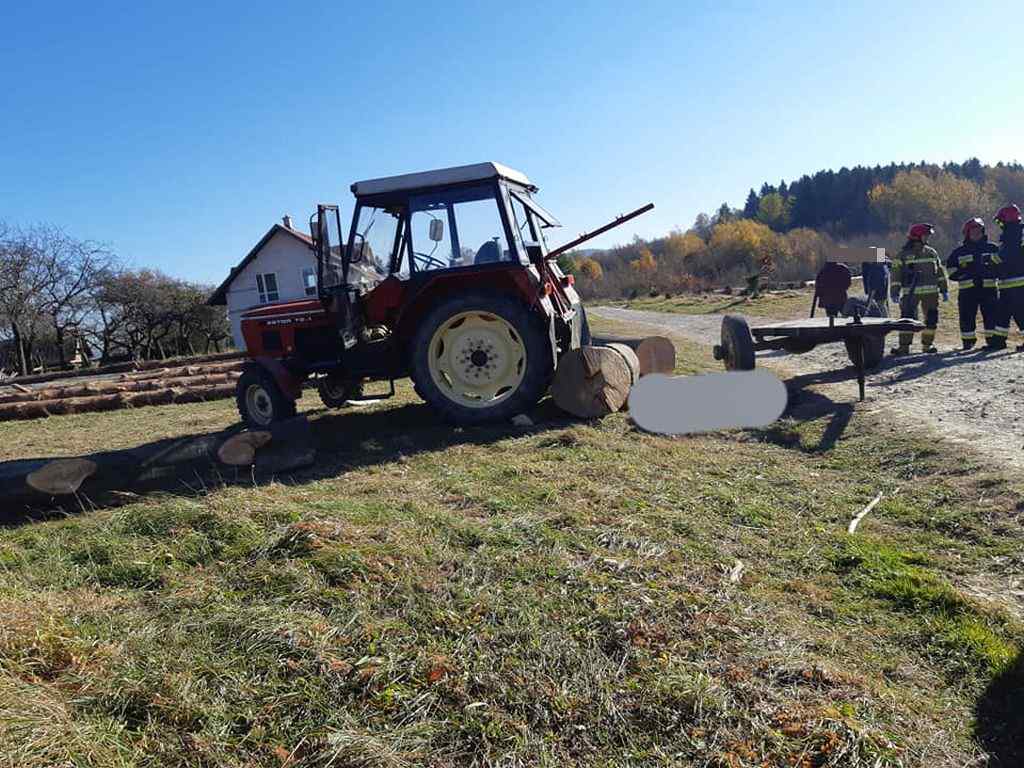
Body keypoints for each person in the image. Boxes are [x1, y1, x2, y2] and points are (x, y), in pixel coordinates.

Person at [889, 223, 948, 355]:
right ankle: (904, 347)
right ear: (916, 237)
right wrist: (894, 292)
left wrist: (944, 290)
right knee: (906, 320)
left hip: (931, 294)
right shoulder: (903, 255)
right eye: (926, 235)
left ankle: (927, 345)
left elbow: (939, 272)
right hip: (910, 294)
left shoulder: (931, 252)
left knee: (931, 320)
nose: (928, 238)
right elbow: (896, 274)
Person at [947, 217, 1004, 350]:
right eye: (973, 231)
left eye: (979, 230)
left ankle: (992, 342)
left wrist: (992, 272)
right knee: (967, 317)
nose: (977, 233)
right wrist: (964, 273)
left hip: (988, 290)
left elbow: (1002, 267)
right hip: (968, 291)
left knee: (991, 316)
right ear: (967, 233)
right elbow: (950, 270)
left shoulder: (992, 248)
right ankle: (968, 342)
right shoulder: (959, 252)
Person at [994, 204, 1024, 351]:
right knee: (1002, 312)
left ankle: (998, 341)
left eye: (1000, 222)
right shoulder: (1016, 234)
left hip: (1017, 283)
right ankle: (998, 341)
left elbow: (1008, 256)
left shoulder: (1013, 235)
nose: (1000, 225)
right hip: (1008, 283)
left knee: (1020, 312)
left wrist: (992, 259)